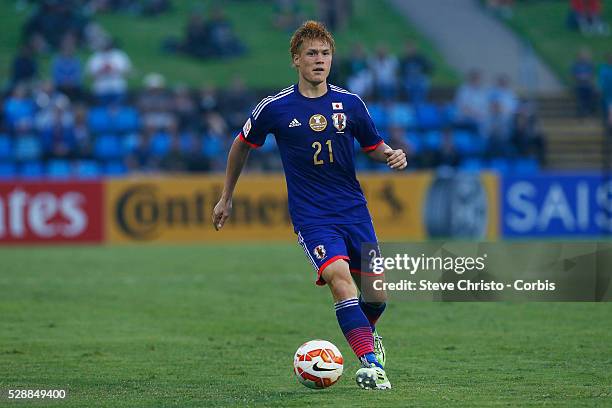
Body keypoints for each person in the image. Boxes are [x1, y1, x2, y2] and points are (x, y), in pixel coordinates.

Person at [212, 21, 407, 390]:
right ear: (296, 60)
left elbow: (373, 145)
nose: (320, 60)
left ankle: (367, 334)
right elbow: (241, 144)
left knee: (377, 293)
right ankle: (370, 363)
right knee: (338, 279)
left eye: (325, 53)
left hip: (354, 211)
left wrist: (391, 155)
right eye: (312, 54)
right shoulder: (275, 107)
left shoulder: (350, 103)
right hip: (312, 216)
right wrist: (227, 196)